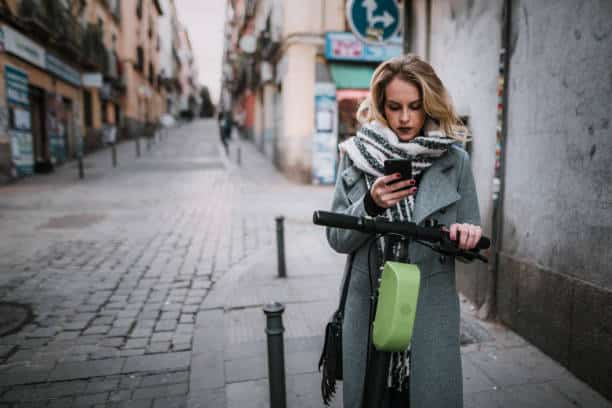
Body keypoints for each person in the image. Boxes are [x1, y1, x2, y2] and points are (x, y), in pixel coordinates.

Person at [326, 54, 482, 407]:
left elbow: (470, 238)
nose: (406, 118)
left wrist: (465, 236)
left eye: (415, 106)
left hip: (428, 317)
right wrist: (370, 203)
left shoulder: (455, 162)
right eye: (395, 107)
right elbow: (337, 239)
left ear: (429, 104)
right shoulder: (355, 156)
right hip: (369, 313)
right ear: (381, 106)